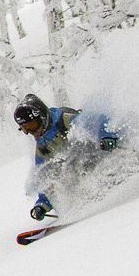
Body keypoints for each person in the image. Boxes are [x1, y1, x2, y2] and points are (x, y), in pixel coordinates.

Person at [13, 93, 119, 222]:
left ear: (42, 117)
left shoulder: (64, 120)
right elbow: (44, 177)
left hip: (99, 150)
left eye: (32, 126)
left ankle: (112, 181)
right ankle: (87, 198)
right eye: (25, 129)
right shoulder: (42, 146)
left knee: (79, 162)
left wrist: (107, 136)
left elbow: (97, 121)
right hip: (81, 161)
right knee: (62, 171)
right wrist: (42, 205)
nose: (31, 132)